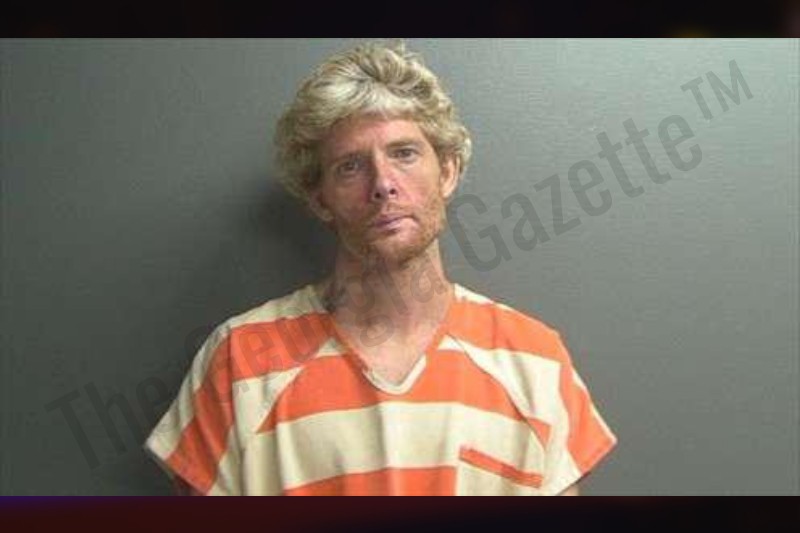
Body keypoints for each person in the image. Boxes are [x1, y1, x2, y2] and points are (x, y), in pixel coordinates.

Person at [143, 40, 617, 496]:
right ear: (319, 199)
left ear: (448, 171)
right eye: (350, 166)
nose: (383, 184)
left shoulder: (534, 360)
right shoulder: (241, 360)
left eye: (404, 153)